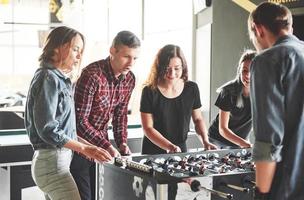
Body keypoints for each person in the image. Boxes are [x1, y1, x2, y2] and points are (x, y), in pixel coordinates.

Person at [24, 26, 112, 200]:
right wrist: (84, 148)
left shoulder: (56, 78)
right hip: (52, 166)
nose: (79, 56)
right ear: (58, 47)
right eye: (75, 49)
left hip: (56, 163)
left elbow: (65, 131)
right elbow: (48, 129)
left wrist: (88, 149)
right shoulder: (48, 78)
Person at [70, 30, 141, 200]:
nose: (131, 63)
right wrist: (107, 145)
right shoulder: (92, 75)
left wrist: (122, 142)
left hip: (102, 151)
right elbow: (79, 122)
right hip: (79, 149)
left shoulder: (130, 78)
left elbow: (120, 114)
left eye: (135, 58)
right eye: (126, 56)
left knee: (101, 197)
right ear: (112, 51)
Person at [140, 44, 217, 200]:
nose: (172, 73)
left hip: (179, 148)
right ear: (159, 67)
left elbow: (198, 119)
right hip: (154, 149)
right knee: (150, 194)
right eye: (167, 68)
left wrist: (206, 141)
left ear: (183, 67)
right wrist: (168, 146)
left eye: (177, 68)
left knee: (172, 193)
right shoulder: (149, 91)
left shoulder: (191, 88)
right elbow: (148, 128)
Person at [248, 2, 304, 200]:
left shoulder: (267, 60)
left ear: (258, 29)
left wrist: (261, 193)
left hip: (288, 187)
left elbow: (268, 140)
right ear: (290, 27)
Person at [208, 49, 256, 148]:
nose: (248, 75)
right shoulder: (228, 92)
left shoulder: (262, 94)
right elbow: (223, 129)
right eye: (244, 71)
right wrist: (243, 143)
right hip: (218, 138)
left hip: (241, 140)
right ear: (239, 71)